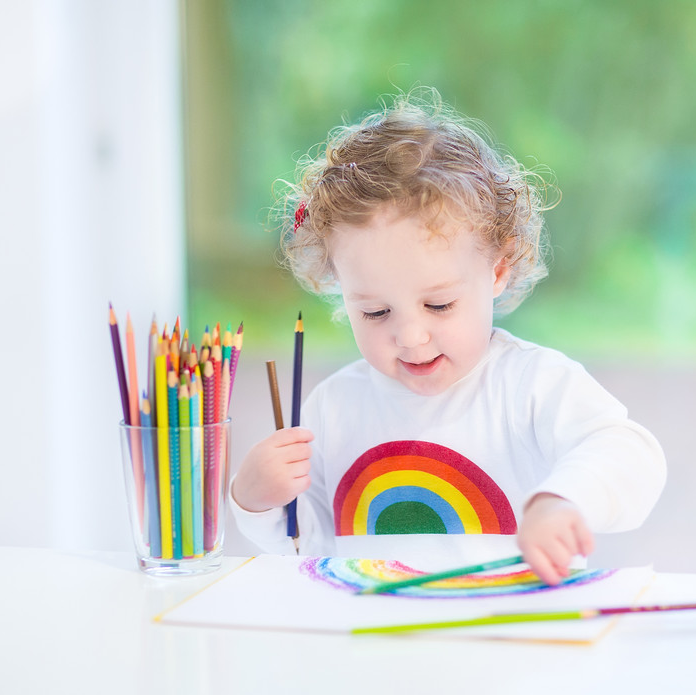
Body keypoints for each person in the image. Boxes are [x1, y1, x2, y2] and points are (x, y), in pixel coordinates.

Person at [230, 88, 666, 584]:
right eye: (375, 312)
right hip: (376, 646)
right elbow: (307, 548)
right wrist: (256, 500)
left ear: (498, 270)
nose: (411, 337)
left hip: (515, 639)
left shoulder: (532, 385)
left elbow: (632, 456)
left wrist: (563, 500)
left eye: (439, 305)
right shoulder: (334, 407)